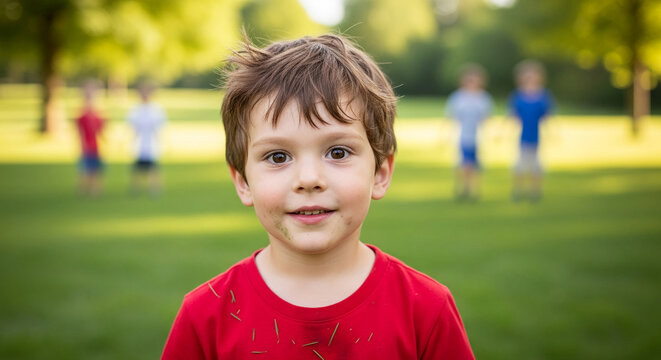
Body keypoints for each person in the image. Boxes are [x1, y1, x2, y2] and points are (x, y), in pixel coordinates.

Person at [161, 34, 475, 359]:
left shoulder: (425, 309)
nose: (309, 179)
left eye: (337, 152)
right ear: (243, 182)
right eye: (278, 157)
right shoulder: (205, 316)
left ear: (380, 173)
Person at [508, 60, 554, 202]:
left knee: (536, 166)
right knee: (519, 166)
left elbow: (547, 116)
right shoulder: (518, 96)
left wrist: (551, 133)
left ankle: (535, 192)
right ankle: (518, 191)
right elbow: (512, 116)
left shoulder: (543, 96)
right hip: (521, 136)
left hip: (537, 136)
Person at [445, 64, 492, 201]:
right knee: (463, 164)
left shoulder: (483, 98)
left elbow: (486, 118)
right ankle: (463, 188)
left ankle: (474, 189)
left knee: (475, 165)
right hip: (462, 136)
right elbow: (452, 117)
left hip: (478, 137)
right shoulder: (458, 97)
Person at [126, 80, 166, 196]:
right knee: (137, 169)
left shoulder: (156, 110)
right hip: (139, 144)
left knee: (153, 169)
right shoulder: (135, 110)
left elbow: (160, 127)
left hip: (152, 144)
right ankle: (135, 190)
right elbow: (132, 128)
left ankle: (155, 190)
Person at [75, 79, 105, 196]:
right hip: (87, 146)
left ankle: (95, 191)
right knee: (85, 170)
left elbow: (101, 130)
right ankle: (84, 191)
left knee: (96, 170)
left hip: (96, 146)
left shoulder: (98, 113)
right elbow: (79, 131)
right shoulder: (82, 114)